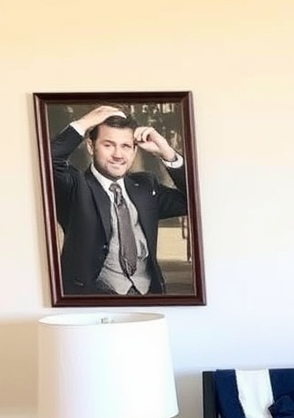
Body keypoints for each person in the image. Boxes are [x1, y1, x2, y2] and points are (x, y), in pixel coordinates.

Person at [50, 103, 189, 295]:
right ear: (91, 146)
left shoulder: (146, 187)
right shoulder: (75, 186)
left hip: (149, 296)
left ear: (134, 150)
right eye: (108, 145)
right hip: (93, 302)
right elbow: (48, 160)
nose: (118, 154)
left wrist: (167, 153)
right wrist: (86, 123)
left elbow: (193, 201)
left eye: (126, 146)